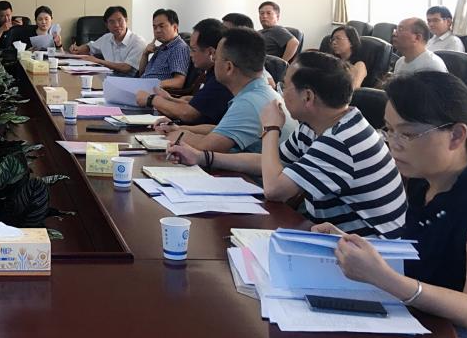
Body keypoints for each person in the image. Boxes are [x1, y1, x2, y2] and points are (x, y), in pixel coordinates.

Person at [313, 71, 467, 338]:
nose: (393, 144)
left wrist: (384, 277)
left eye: (407, 134)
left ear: (456, 136)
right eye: (389, 130)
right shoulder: (424, 183)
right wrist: (352, 244)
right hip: (424, 323)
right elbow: (419, 254)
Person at [167, 51, 406, 236]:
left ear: (308, 96)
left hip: (372, 260)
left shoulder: (341, 140)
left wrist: (271, 128)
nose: (280, 93)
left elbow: (275, 190)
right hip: (337, 242)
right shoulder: (316, 125)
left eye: (285, 86)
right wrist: (202, 157)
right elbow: (270, 162)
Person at [158, 27, 286, 152]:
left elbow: (206, 146)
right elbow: (221, 130)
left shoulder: (248, 102)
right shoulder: (261, 92)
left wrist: (179, 136)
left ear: (229, 67)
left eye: (216, 58)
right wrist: (180, 128)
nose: (213, 61)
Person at [143, 18, 231, 125]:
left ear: (211, 52)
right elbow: (199, 104)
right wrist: (169, 99)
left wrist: (151, 99)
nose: (190, 54)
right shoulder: (210, 74)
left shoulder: (221, 79)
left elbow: (189, 113)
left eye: (193, 50)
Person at [68, 6, 147, 75]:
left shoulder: (138, 42)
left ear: (126, 20)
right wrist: (78, 49)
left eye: (120, 20)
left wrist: (98, 61)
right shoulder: (107, 38)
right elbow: (90, 47)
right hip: (108, 77)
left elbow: (126, 68)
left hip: (128, 81)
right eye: (112, 22)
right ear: (107, 25)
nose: (116, 25)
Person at [136, 9, 191, 90]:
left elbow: (178, 81)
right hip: (143, 88)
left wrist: (151, 85)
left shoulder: (179, 47)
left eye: (161, 26)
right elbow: (142, 74)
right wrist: (145, 54)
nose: (157, 31)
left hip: (156, 92)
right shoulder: (161, 48)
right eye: (155, 27)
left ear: (175, 27)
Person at [327, 25, 368, 90]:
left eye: (338, 39)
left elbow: (353, 90)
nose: (334, 42)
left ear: (351, 42)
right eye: (332, 39)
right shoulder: (333, 61)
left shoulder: (359, 65)